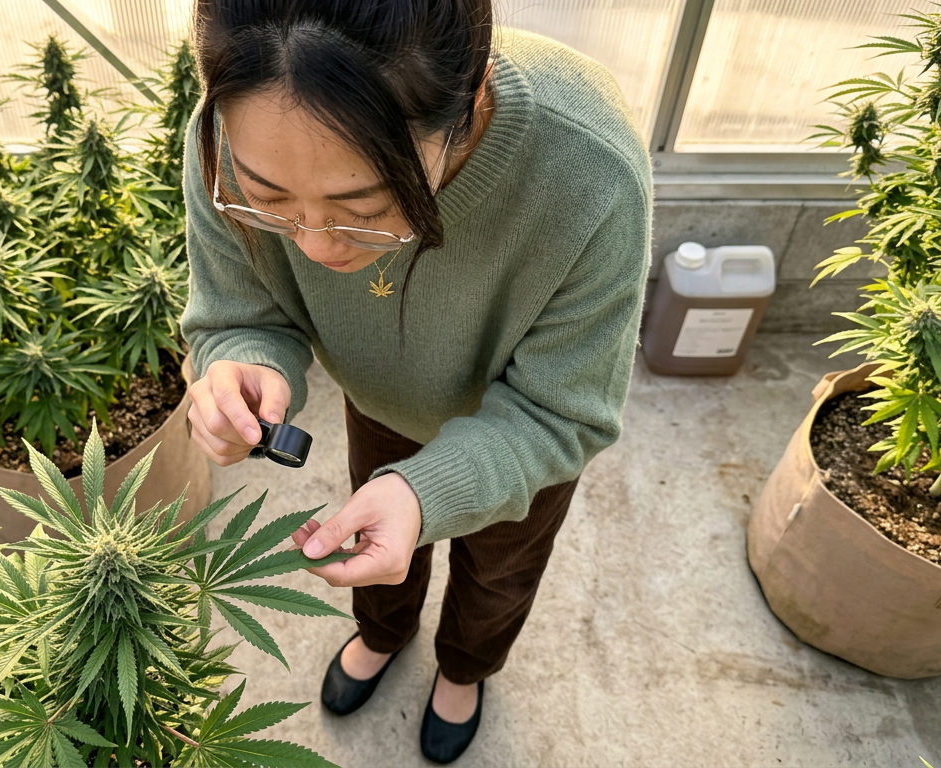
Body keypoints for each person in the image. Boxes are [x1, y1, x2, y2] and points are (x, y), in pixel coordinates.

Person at [180, 0, 651, 762]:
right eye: (269, 200)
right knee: (377, 522)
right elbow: (239, 308)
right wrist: (239, 360)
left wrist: (432, 490)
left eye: (363, 207)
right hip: (380, 399)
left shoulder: (589, 173)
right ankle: (382, 632)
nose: (315, 244)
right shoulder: (232, 128)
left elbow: (563, 412)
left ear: (471, 103)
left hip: (521, 436)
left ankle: (464, 670)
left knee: (499, 571)